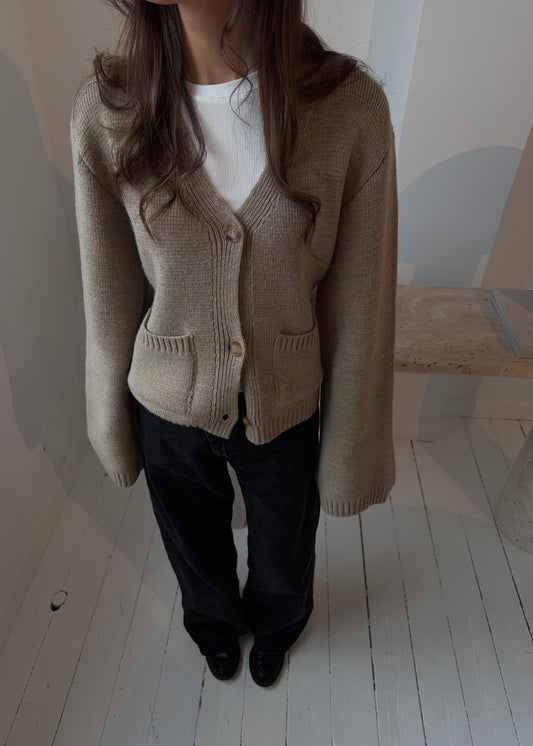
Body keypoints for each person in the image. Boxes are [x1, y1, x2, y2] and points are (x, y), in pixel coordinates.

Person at [70, 0, 398, 688]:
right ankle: (214, 627)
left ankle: (278, 626)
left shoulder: (347, 110)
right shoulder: (108, 113)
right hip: (167, 404)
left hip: (285, 398)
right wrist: (109, 422)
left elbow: (360, 306)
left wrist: (352, 453)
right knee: (193, 548)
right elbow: (107, 293)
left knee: (284, 550)